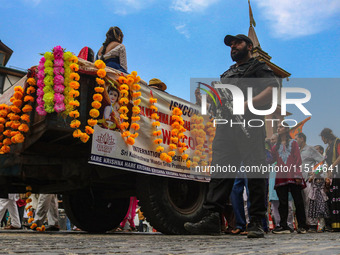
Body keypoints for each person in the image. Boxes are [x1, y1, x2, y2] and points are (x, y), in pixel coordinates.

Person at [184, 34, 278, 238]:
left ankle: (256, 221)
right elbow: (217, 105)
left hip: (250, 125)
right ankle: (212, 218)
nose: (233, 47)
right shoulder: (226, 74)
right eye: (231, 45)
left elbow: (272, 91)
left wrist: (244, 105)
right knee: (220, 172)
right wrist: (204, 102)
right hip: (226, 128)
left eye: (238, 43)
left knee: (255, 172)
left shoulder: (258, 67)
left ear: (249, 46)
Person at [271, 123, 307, 234]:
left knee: (298, 201)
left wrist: (297, 175)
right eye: (277, 127)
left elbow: (297, 159)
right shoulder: (275, 146)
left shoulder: (294, 143)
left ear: (286, 129)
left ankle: (302, 226)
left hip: (293, 175)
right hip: (281, 176)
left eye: (280, 127)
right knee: (283, 202)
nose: (278, 128)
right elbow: (272, 159)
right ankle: (284, 226)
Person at [295, 132, 324, 231]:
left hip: (308, 179)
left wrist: (315, 173)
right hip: (299, 180)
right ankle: (305, 224)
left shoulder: (310, 149)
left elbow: (322, 161)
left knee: (310, 202)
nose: (295, 141)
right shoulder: (297, 151)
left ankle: (312, 224)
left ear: (302, 138)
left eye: (297, 139)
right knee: (301, 203)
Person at [268, 133, 294, 231]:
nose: (272, 141)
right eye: (271, 140)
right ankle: (279, 224)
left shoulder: (286, 150)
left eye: (273, 139)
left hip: (285, 179)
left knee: (287, 203)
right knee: (275, 204)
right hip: (273, 181)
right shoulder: (271, 154)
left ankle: (289, 224)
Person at [320, 128, 340, 231]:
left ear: (325, 136)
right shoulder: (327, 149)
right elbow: (327, 162)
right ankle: (335, 225)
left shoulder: (338, 142)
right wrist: (328, 173)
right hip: (332, 176)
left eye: (322, 137)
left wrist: (332, 167)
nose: (322, 140)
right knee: (333, 199)